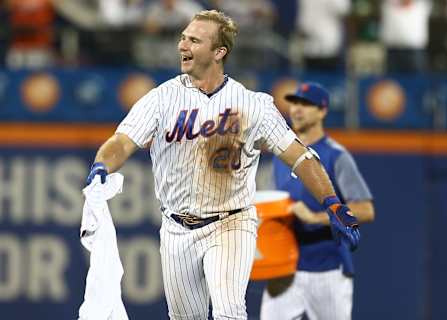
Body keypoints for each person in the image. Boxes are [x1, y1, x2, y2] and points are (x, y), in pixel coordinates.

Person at [85, 10, 360, 320]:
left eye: (194, 40)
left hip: (231, 222)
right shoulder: (161, 99)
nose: (182, 45)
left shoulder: (252, 104)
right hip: (176, 228)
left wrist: (332, 203)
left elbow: (299, 156)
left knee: (229, 312)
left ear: (219, 52)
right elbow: (122, 142)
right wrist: (101, 167)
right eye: (183, 37)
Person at [260, 82, 375, 320]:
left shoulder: (336, 155)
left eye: (306, 104)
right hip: (285, 268)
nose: (297, 109)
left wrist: (315, 217)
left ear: (322, 111)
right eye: (293, 103)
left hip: (327, 268)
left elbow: (365, 210)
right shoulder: (282, 156)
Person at [380, 0, 432, 74]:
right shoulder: (388, 3)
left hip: (415, 51)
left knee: (418, 81)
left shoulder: (422, 4)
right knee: (393, 81)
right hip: (393, 50)